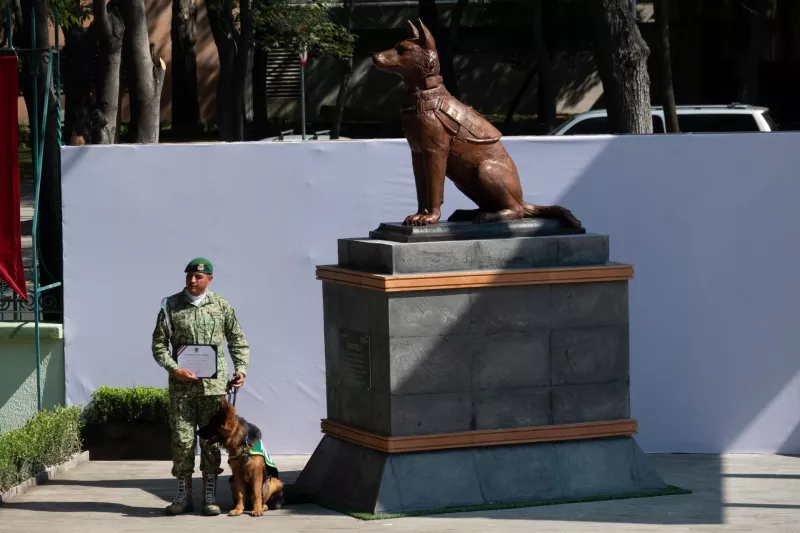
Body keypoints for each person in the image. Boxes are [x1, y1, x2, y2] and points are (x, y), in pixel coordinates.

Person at [152, 257, 249, 516]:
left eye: (198, 277)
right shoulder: (171, 305)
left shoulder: (221, 306)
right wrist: (175, 369)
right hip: (182, 389)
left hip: (213, 389)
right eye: (189, 276)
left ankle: (210, 496)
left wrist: (241, 369)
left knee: (211, 442)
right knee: (182, 441)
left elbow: (238, 341)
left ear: (210, 279)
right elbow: (159, 345)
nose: (193, 281)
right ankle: (183, 495)